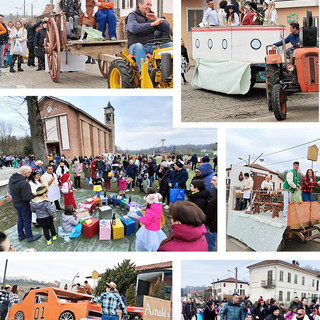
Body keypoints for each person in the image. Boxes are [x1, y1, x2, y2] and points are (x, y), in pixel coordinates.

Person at [126, 0, 173, 72]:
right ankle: (146, 73)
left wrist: (156, 19)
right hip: (136, 46)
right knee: (138, 46)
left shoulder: (151, 16)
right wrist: (152, 24)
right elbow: (133, 28)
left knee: (172, 45)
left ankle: (170, 71)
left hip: (152, 46)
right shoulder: (132, 16)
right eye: (147, 4)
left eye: (150, 5)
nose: (149, 7)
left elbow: (167, 29)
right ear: (140, 4)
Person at [8, 166, 41, 243]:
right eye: (29, 173)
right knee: (27, 220)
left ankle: (21, 235)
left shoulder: (12, 179)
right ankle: (29, 236)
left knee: (20, 219)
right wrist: (35, 195)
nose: (30, 174)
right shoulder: (24, 183)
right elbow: (26, 198)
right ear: (26, 173)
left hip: (16, 202)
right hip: (23, 204)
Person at [204, 175, 217, 251]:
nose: (211, 182)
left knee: (209, 245)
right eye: (212, 180)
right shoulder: (215, 191)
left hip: (211, 227)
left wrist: (212, 229)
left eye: (214, 180)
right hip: (208, 223)